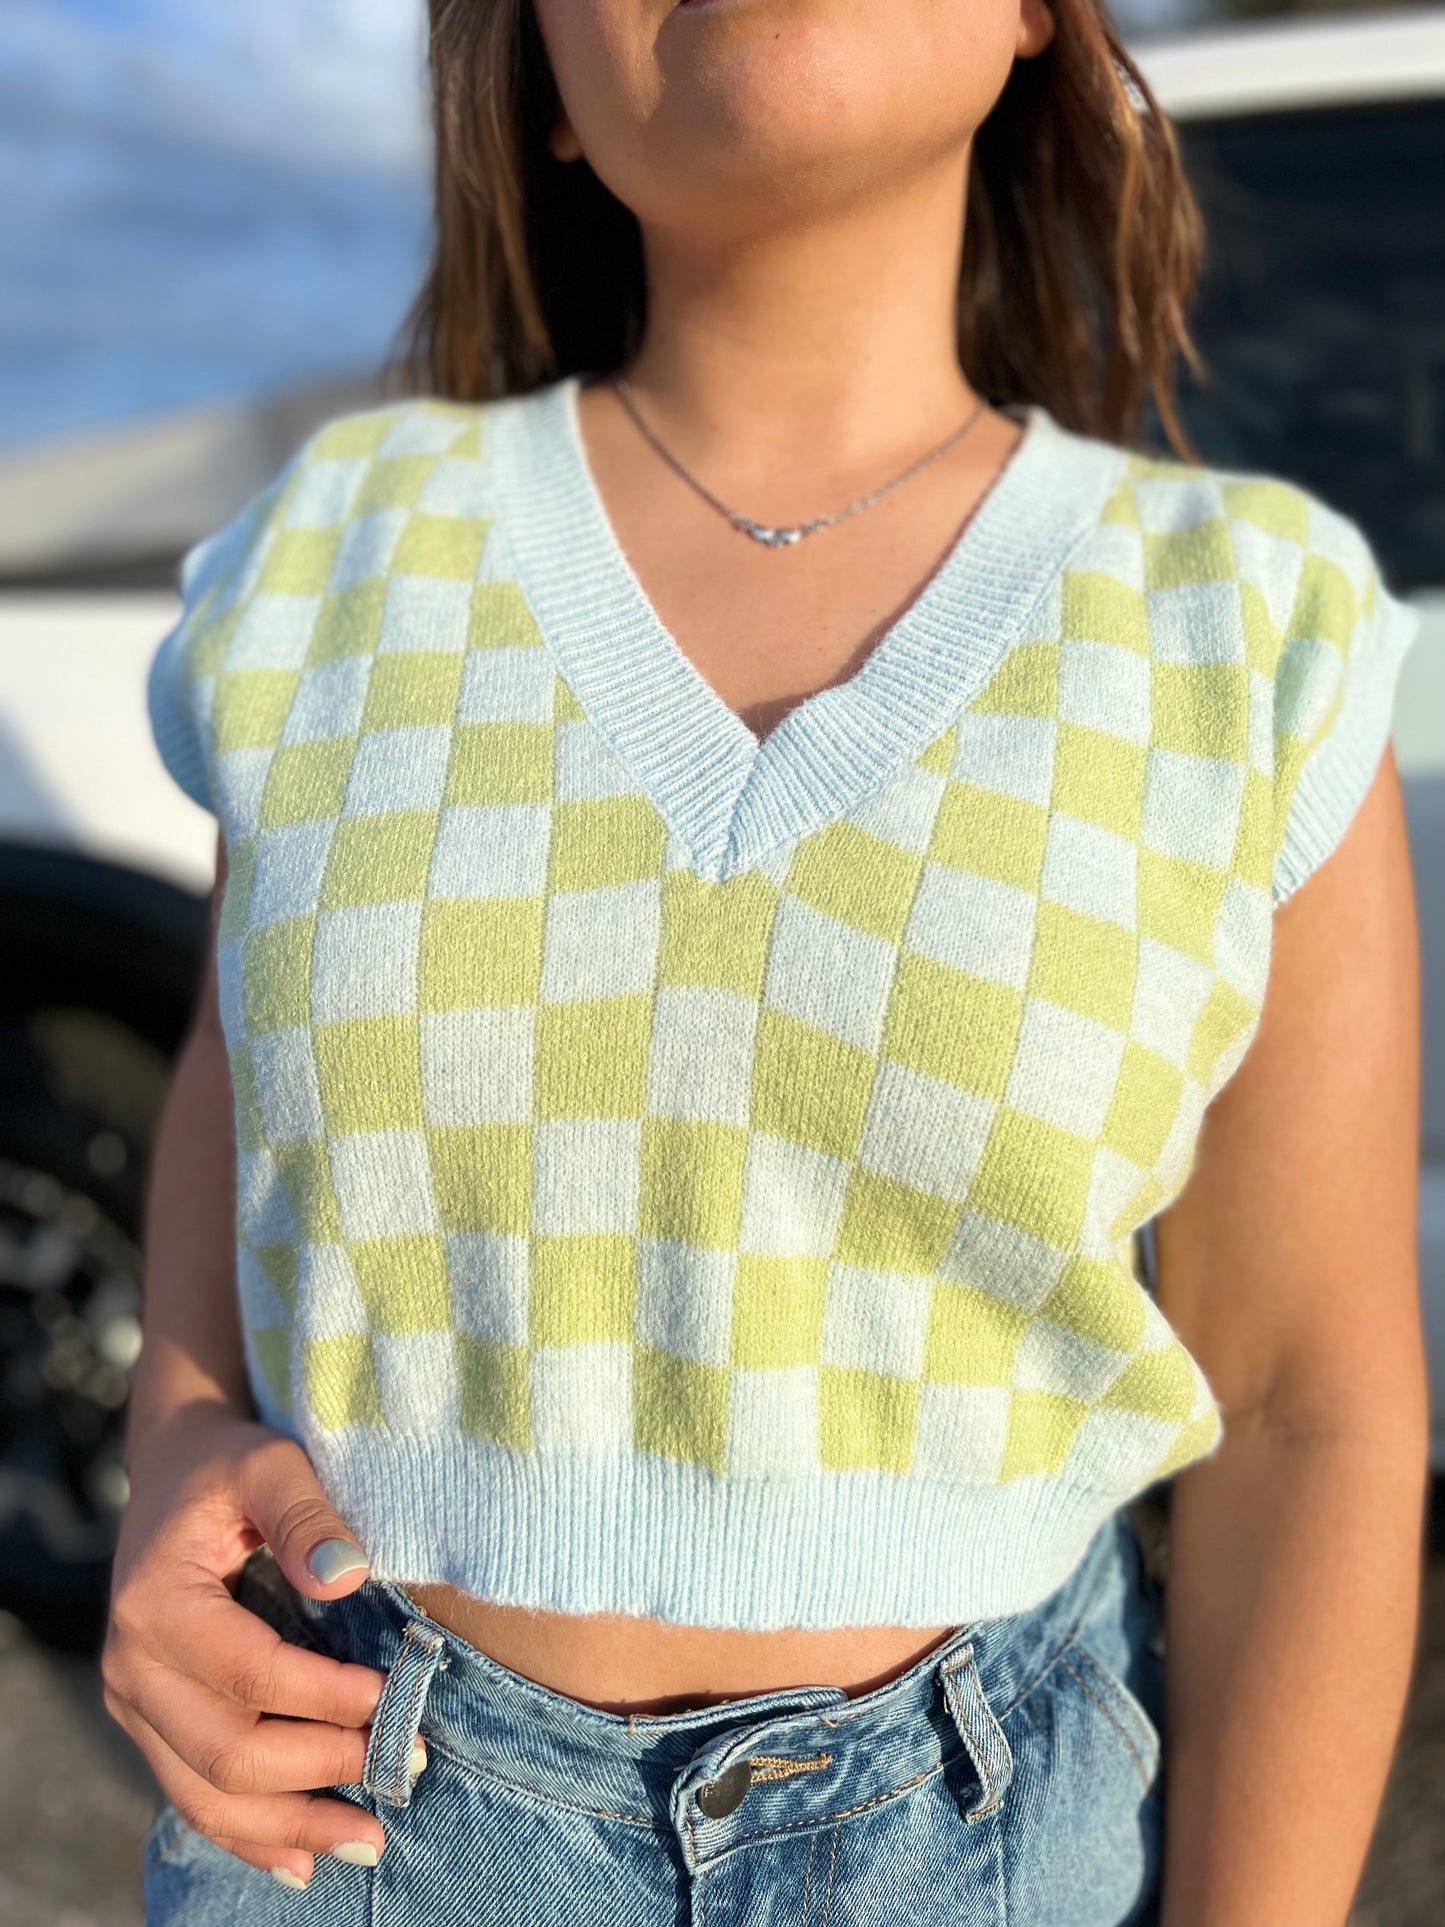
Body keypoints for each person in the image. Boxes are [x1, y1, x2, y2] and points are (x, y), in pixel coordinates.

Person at [104, 0, 1430, 1922]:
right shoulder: (326, 564)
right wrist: (169, 1460)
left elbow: (1313, 1406)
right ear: (541, 88)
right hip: (343, 1833)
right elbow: (231, 1197)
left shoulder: (1252, 624)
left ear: (1040, 25)